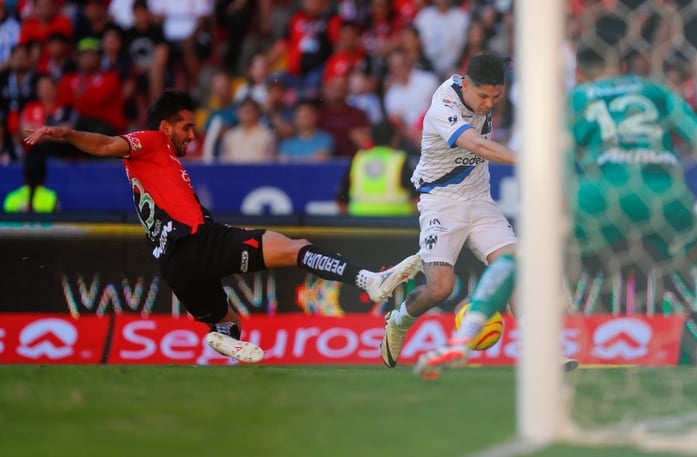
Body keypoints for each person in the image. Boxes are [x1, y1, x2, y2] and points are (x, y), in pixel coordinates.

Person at [415, 46, 697, 392]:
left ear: (579, 73)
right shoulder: (654, 91)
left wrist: (560, 212)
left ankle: (461, 342)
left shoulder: (575, 99)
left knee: (520, 260)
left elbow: (563, 163)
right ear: (620, 67)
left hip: (602, 195)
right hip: (664, 191)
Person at [24, 90, 421, 363]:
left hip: (173, 266)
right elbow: (107, 144)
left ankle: (223, 339)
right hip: (199, 240)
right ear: (166, 127)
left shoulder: (146, 167)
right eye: (186, 127)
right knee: (294, 246)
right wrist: (67, 135)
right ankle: (369, 281)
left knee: (229, 319)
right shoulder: (151, 142)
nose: (192, 135)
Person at [379, 51, 517, 368]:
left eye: (495, 97)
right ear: (466, 85)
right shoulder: (444, 104)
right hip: (441, 201)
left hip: (481, 200)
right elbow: (480, 146)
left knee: (516, 269)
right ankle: (398, 322)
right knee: (441, 287)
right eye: (483, 96)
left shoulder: (481, 93)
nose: (488, 104)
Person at [336, 120, 417, 216]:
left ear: (371, 138)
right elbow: (416, 199)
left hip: (360, 223)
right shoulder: (399, 160)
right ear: (395, 139)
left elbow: (341, 201)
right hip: (395, 224)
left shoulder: (359, 159)